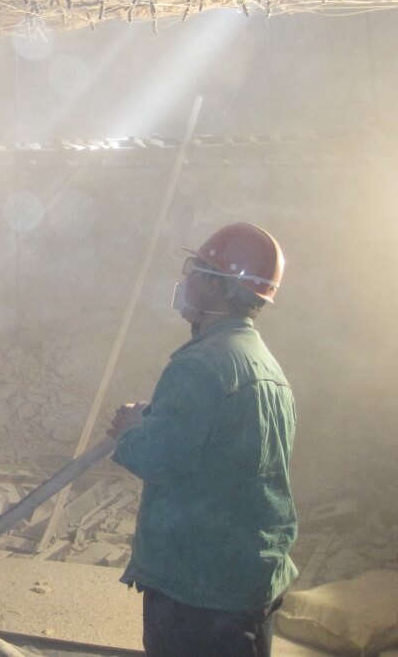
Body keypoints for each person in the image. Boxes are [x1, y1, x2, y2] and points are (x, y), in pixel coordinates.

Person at [108, 222, 298, 657]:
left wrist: (129, 433)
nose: (186, 279)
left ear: (218, 286)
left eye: (197, 269)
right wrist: (154, 421)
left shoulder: (200, 365)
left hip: (198, 589)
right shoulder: (263, 364)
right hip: (247, 579)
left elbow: (158, 460)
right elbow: (222, 445)